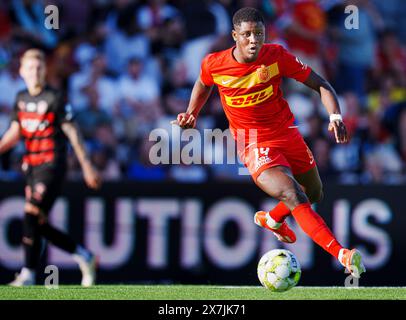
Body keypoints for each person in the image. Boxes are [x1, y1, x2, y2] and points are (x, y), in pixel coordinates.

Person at [171, 7, 366, 278]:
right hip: (253, 142)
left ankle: (273, 218)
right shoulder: (215, 63)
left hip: (287, 133)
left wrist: (334, 115)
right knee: (293, 193)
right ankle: (343, 254)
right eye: (247, 34)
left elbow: (320, 84)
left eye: (259, 34)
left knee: (313, 192)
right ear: (234, 36)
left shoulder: (276, 56)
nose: (253, 40)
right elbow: (203, 84)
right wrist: (192, 112)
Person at [0, 49, 102, 287]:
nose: (35, 72)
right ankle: (84, 256)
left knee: (30, 213)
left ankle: (28, 274)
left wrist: (87, 165)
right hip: (32, 167)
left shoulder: (55, 98)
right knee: (39, 223)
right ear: (22, 71)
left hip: (52, 165)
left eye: (39, 68)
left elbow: (72, 132)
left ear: (45, 71)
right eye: (31, 68)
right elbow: (14, 134)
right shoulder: (21, 98)